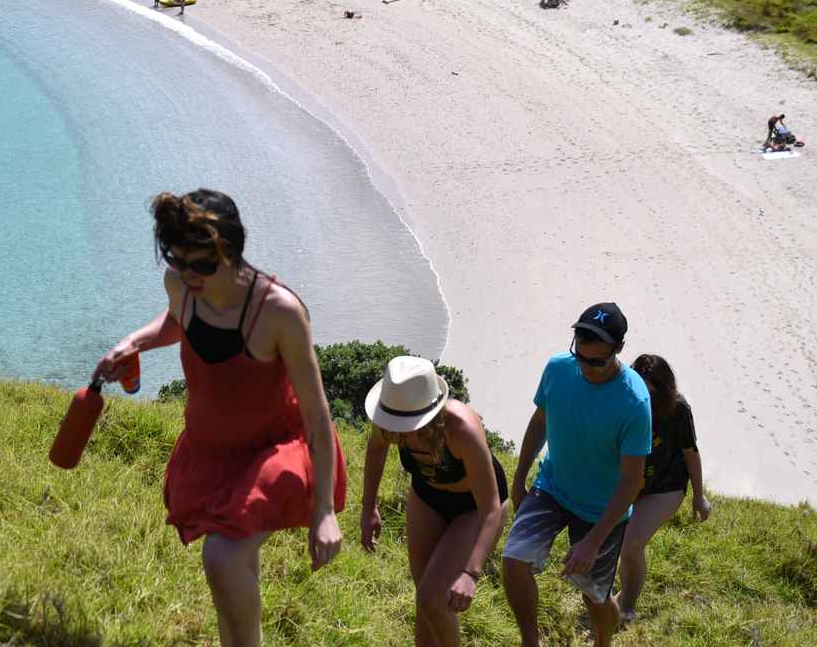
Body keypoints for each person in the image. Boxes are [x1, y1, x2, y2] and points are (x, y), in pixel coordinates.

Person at [95, 190, 345, 646]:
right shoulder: (182, 285)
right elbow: (179, 320)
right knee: (232, 571)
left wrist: (325, 511)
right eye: (177, 259)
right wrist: (134, 342)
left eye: (203, 265)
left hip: (277, 449)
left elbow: (316, 415)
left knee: (222, 557)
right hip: (211, 448)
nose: (189, 274)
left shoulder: (278, 312)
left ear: (231, 250)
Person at [502, 303, 651, 647]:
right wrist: (519, 478)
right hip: (552, 488)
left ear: (618, 350)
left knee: (593, 595)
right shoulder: (558, 369)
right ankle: (530, 642)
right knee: (514, 559)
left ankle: (603, 641)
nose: (585, 367)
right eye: (579, 356)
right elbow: (540, 421)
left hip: (602, 509)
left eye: (596, 362)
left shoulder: (634, 401)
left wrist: (594, 541)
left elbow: (632, 482)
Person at [359, 356, 508, 647]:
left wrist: (471, 573)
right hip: (427, 495)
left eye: (408, 422)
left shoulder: (461, 429)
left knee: (432, 597)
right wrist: (368, 507)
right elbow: (376, 447)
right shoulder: (390, 417)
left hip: (474, 506)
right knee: (425, 599)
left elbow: (490, 507)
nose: (399, 430)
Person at [615, 354, 711, 624]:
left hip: (666, 486)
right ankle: (614, 595)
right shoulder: (623, 399)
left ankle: (627, 607)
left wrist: (699, 496)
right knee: (617, 544)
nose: (644, 398)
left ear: (664, 389)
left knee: (631, 543)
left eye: (650, 392)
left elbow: (691, 453)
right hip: (629, 484)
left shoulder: (678, 409)